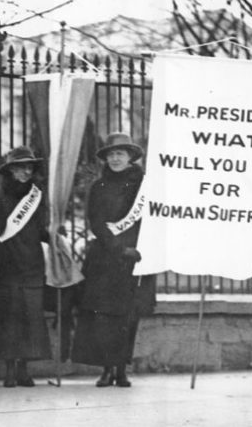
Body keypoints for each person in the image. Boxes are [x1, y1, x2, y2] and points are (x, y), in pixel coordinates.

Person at [72, 133, 157, 387]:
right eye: (111, 154)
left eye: (120, 153)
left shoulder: (146, 186)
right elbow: (95, 221)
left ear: (131, 156)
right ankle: (107, 369)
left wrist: (138, 249)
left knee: (128, 317)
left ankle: (122, 369)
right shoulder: (98, 187)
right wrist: (118, 247)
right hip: (106, 258)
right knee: (105, 317)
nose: (115, 158)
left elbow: (152, 220)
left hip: (136, 259)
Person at [0, 146, 52, 387]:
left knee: (31, 320)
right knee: (9, 321)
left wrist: (54, 237)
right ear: (9, 170)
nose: (25, 171)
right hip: (6, 265)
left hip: (31, 263)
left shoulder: (36, 197)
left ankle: (24, 368)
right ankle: (9, 369)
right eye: (20, 167)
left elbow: (41, 229)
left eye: (29, 167)